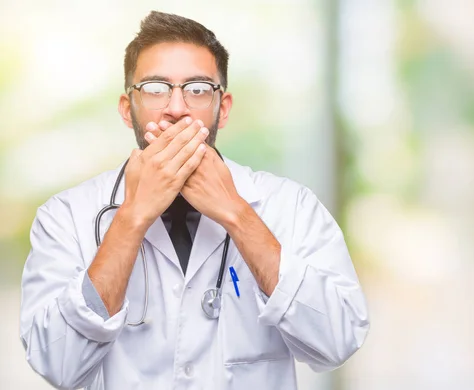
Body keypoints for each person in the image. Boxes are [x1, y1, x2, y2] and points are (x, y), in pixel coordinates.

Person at [19, 10, 369, 390]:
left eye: (198, 88)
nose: (176, 107)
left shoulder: (291, 206)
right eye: (155, 87)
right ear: (126, 108)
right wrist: (132, 217)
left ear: (224, 108)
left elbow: (339, 341)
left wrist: (237, 214)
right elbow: (57, 364)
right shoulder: (66, 216)